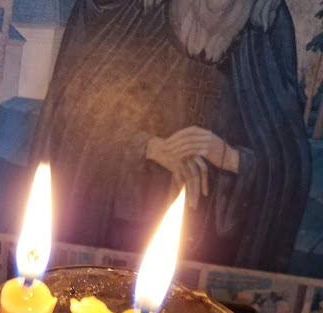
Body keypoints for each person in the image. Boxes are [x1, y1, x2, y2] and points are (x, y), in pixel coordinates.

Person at [32, 0, 310, 272]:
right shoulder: (136, 9)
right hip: (127, 231)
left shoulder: (266, 19)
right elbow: (77, 121)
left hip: (212, 248)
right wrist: (150, 147)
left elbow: (288, 161)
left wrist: (229, 157)